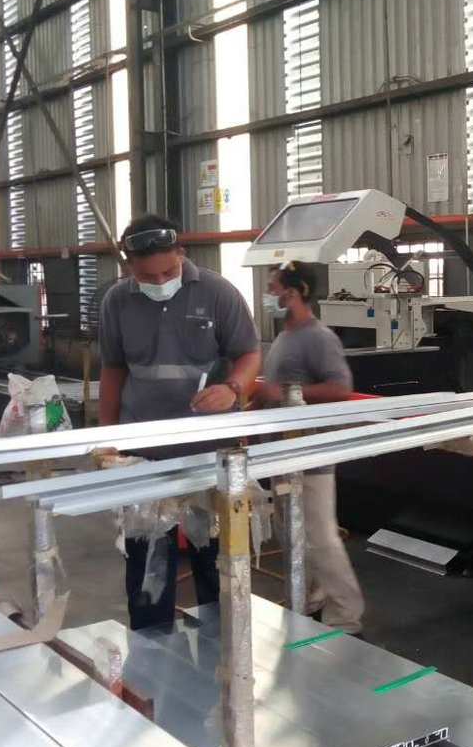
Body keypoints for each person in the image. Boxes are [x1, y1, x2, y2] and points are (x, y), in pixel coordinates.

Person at [97, 214, 261, 629]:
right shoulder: (117, 302)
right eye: (147, 276)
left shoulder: (218, 292)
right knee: (148, 560)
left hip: (210, 451)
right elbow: (113, 370)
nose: (159, 282)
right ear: (128, 266)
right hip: (145, 453)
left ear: (181, 254)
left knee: (218, 558)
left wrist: (232, 389)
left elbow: (248, 353)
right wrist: (107, 437)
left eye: (168, 273)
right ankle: (150, 643)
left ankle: (224, 640)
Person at [251, 260, 364, 635]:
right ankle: (309, 598)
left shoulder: (318, 337)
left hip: (310, 454)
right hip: (281, 454)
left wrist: (283, 392)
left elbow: (340, 387)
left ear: (295, 291)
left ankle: (346, 614)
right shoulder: (285, 336)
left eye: (273, 287)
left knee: (319, 536)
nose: (269, 294)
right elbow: (275, 391)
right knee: (291, 534)